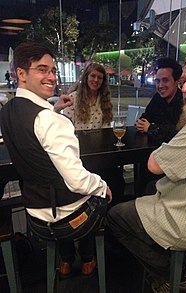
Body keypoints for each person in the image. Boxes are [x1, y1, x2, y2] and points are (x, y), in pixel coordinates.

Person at [107, 49, 186, 293]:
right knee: (148, 188)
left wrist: (158, 133)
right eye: (185, 82)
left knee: (116, 215)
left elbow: (154, 163)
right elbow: (151, 123)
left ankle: (172, 273)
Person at [0, 42, 112, 279]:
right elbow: (78, 182)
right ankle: (90, 258)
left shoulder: (8, 110)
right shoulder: (52, 121)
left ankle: (65, 260)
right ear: (21, 73)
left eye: (53, 70)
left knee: (66, 192)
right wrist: (102, 185)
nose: (51, 76)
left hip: (36, 217)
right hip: (67, 220)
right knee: (98, 196)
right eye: (42, 69)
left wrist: (54, 110)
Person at [55, 63, 125, 206]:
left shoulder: (104, 99)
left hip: (99, 153)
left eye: (100, 77)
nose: (96, 80)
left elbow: (106, 129)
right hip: (80, 155)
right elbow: (66, 126)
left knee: (117, 178)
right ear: (86, 77)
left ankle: (111, 212)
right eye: (93, 76)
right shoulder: (73, 98)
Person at [135, 57, 183, 195]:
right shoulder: (158, 98)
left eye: (165, 80)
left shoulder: (185, 102)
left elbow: (178, 133)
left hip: (174, 163)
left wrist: (151, 128)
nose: (160, 85)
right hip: (153, 154)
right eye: (157, 81)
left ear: (176, 82)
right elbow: (145, 118)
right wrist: (145, 124)